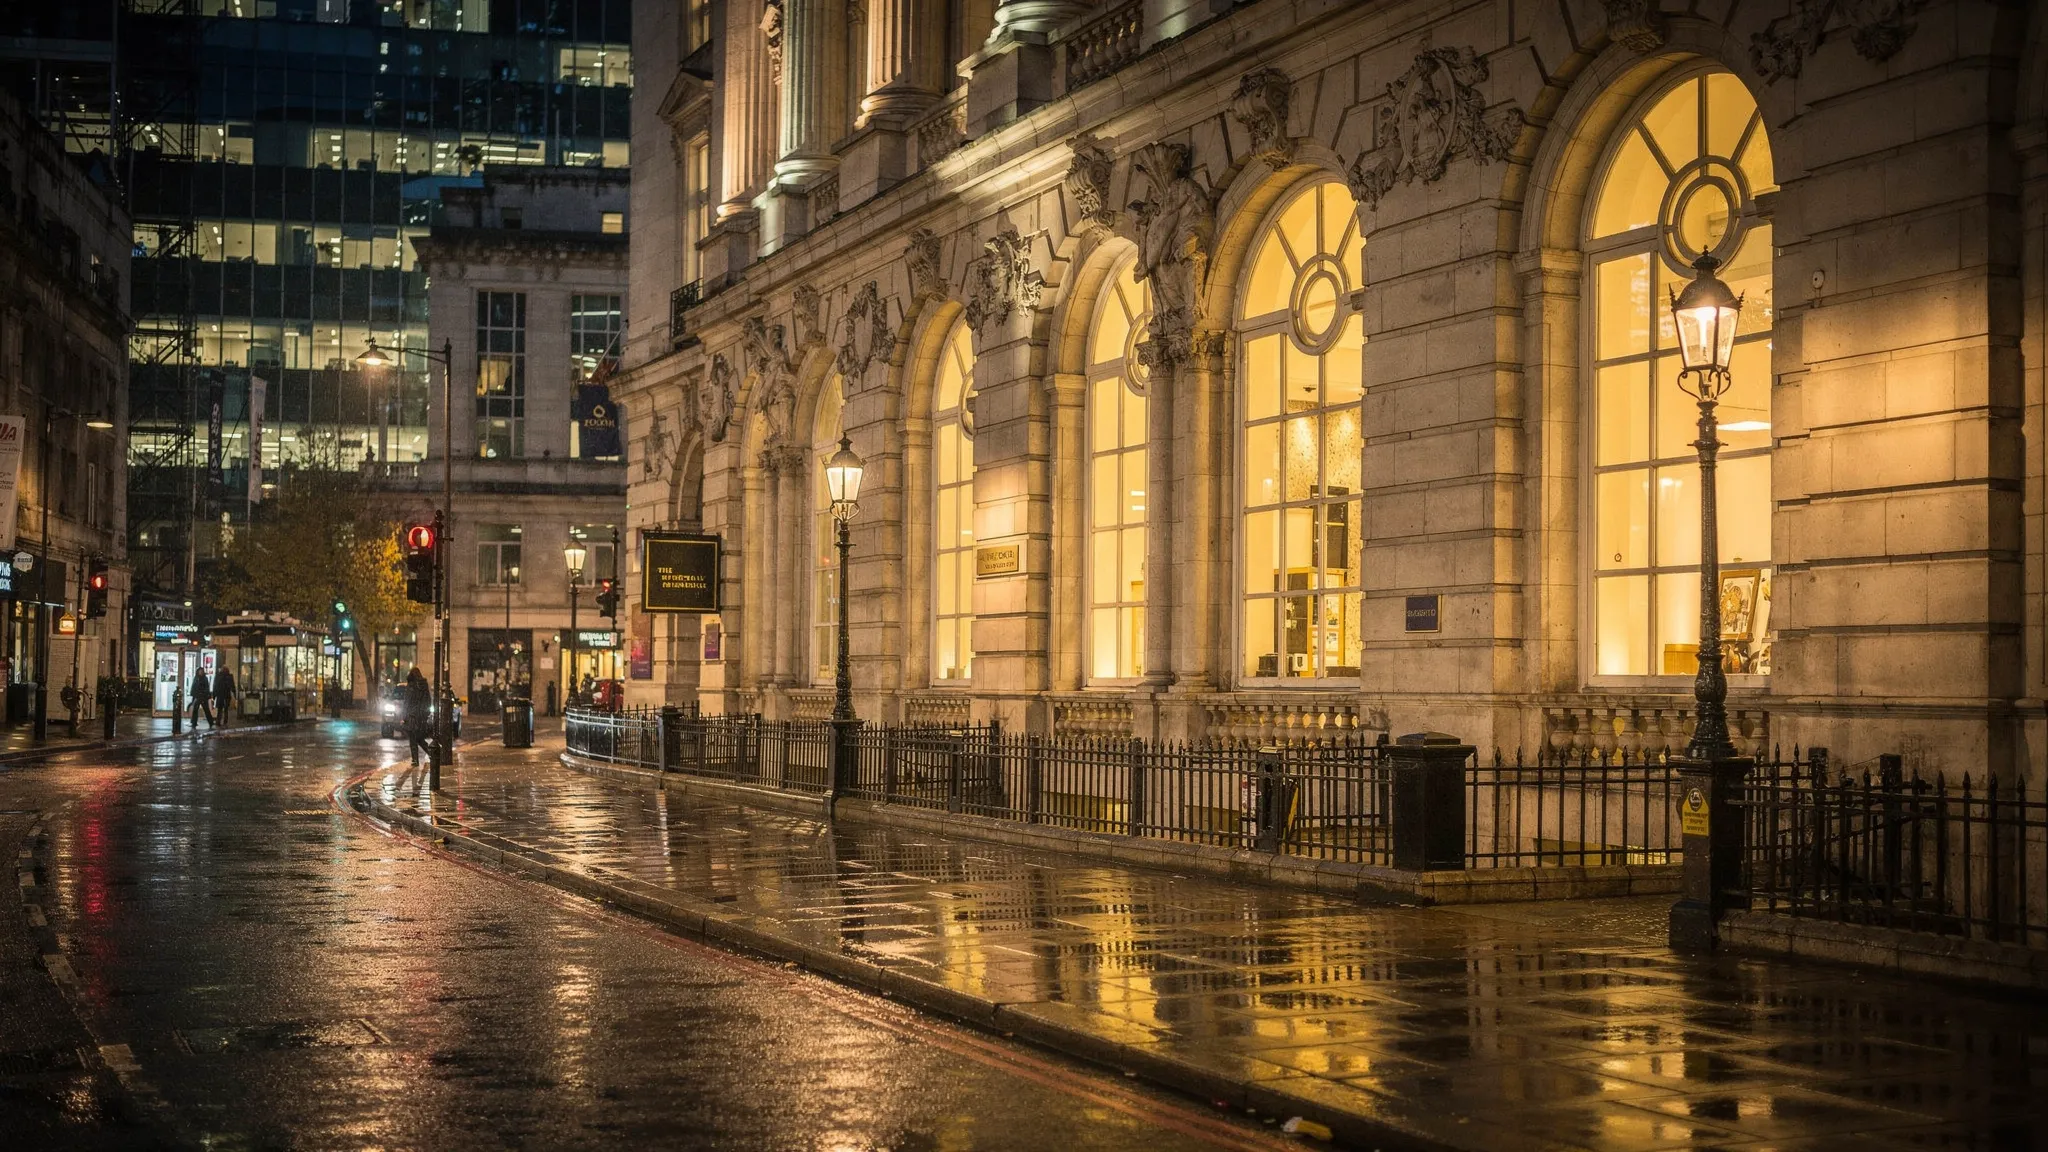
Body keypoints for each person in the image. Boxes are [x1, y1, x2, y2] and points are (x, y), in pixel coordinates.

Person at [402, 666, 432, 767]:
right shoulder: (424, 685)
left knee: (413, 738)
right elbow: (428, 701)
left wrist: (404, 716)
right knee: (418, 737)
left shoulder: (410, 686)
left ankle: (415, 759)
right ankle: (430, 754)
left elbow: (407, 702)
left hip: (412, 715)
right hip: (421, 716)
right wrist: (425, 714)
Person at [212, 662, 238, 727]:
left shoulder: (218, 676)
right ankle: (224, 721)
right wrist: (234, 694)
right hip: (225, 695)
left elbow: (215, 686)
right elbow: (232, 686)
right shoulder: (229, 676)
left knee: (220, 709)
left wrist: (214, 695)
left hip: (221, 695)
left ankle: (219, 721)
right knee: (225, 709)